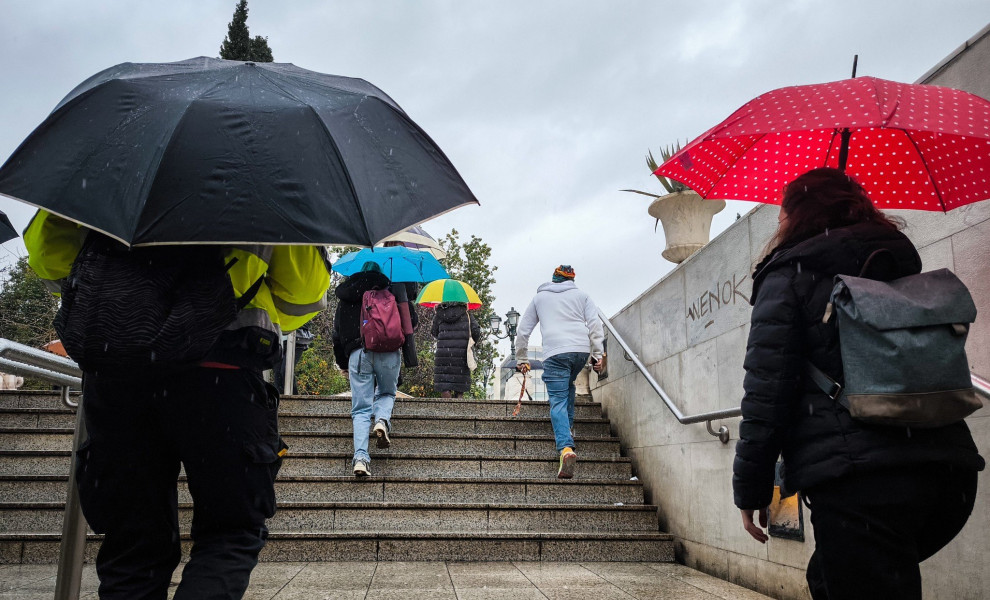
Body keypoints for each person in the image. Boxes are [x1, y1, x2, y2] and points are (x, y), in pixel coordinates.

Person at [24, 209, 331, 599]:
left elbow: (49, 258)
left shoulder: (107, 164)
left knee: (132, 547)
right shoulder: (264, 186)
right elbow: (303, 290)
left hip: (119, 373)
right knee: (230, 532)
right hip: (221, 372)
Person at [732, 168, 984, 600]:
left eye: (782, 213)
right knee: (829, 579)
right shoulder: (896, 264)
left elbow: (766, 393)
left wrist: (752, 489)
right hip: (949, 473)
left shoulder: (788, 275)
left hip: (860, 483)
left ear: (796, 215)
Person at [515, 265, 605, 479]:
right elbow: (595, 324)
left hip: (555, 352)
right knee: (568, 386)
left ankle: (565, 447)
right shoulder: (582, 296)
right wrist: (597, 355)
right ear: (572, 280)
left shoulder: (540, 298)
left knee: (557, 399)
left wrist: (521, 358)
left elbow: (523, 330)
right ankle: (569, 429)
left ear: (554, 279)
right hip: (579, 351)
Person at [331, 262, 401, 477]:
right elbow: (410, 324)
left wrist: (344, 362)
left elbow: (337, 335)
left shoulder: (346, 297)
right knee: (387, 392)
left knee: (361, 409)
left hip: (358, 353)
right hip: (388, 351)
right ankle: (381, 420)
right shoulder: (390, 293)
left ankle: (361, 458)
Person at [431, 301, 482, 398]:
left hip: (443, 354)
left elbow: (434, 332)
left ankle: (447, 410)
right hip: (461, 353)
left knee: (444, 386)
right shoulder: (466, 315)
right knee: (460, 387)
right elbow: (476, 331)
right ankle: (459, 407)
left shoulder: (439, 314)